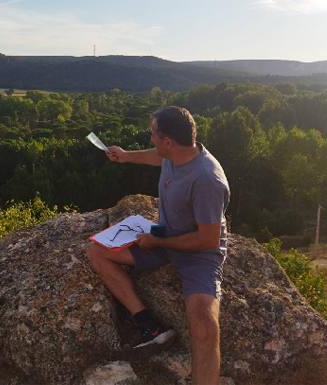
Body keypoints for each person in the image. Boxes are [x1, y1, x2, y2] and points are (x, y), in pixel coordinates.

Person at [86, 106, 230, 385]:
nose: (150, 138)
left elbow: (208, 239)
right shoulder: (174, 154)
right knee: (97, 250)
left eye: (153, 134)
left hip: (198, 255)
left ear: (168, 141)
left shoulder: (207, 179)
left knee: (204, 328)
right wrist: (126, 156)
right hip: (163, 234)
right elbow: (157, 157)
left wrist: (158, 241)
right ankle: (148, 325)